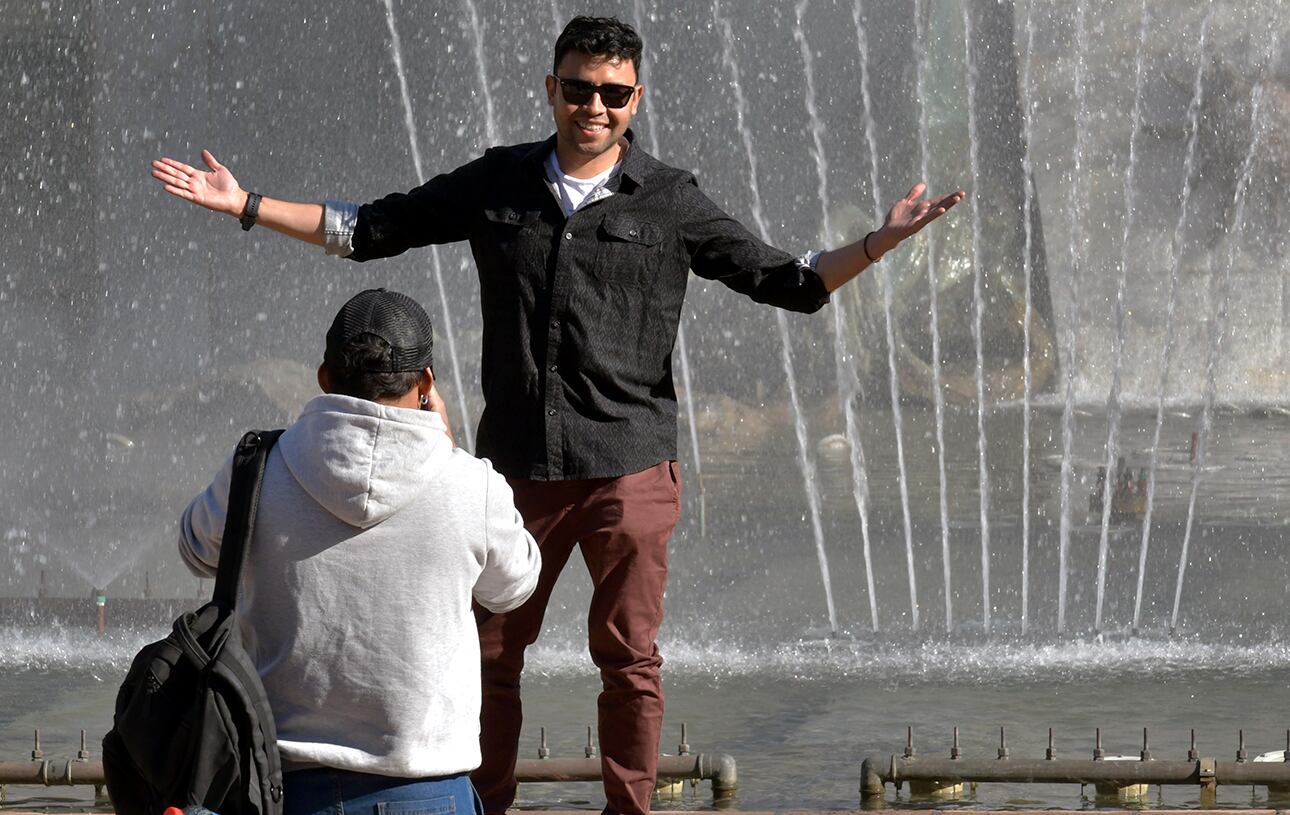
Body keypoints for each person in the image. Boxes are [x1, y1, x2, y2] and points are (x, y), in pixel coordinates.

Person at [152, 16, 964, 814]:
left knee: (629, 658)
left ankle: (628, 808)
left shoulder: (672, 199)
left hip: (631, 466)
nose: (595, 107)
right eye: (579, 89)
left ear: (636, 97)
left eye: (613, 92)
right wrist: (247, 203)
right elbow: (373, 228)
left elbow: (787, 280)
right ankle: (484, 803)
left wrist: (879, 242)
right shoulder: (498, 182)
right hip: (518, 471)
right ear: (552, 89)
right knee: (491, 655)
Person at [178, 288, 542, 815]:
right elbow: (515, 586)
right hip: (428, 791)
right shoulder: (470, 484)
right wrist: (450, 449)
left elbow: (194, 549)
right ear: (426, 385)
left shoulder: (256, 467)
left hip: (280, 789)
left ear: (325, 378)